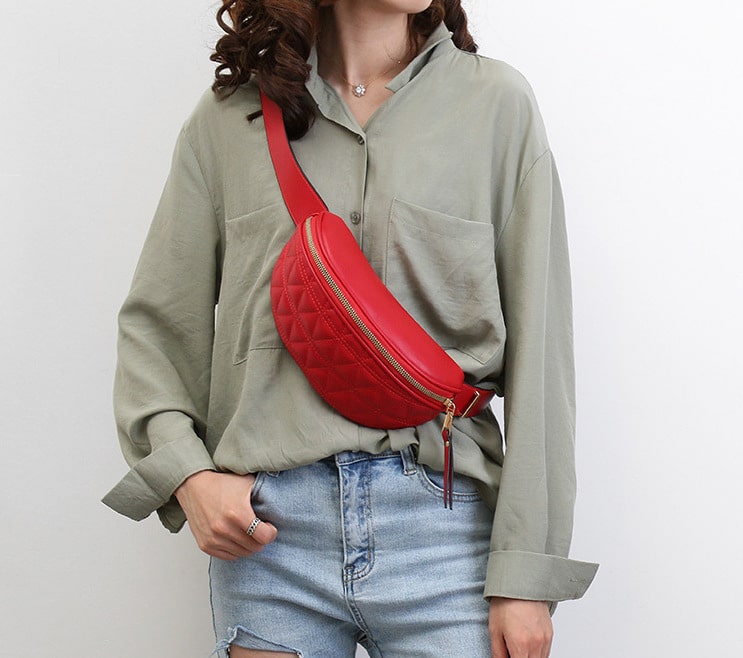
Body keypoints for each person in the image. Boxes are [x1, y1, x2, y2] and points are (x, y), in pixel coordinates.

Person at [103, 1, 598, 656]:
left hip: (446, 534)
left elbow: (543, 355)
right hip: (269, 539)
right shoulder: (228, 119)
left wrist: (527, 572)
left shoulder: (495, 107)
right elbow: (159, 326)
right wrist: (187, 477)